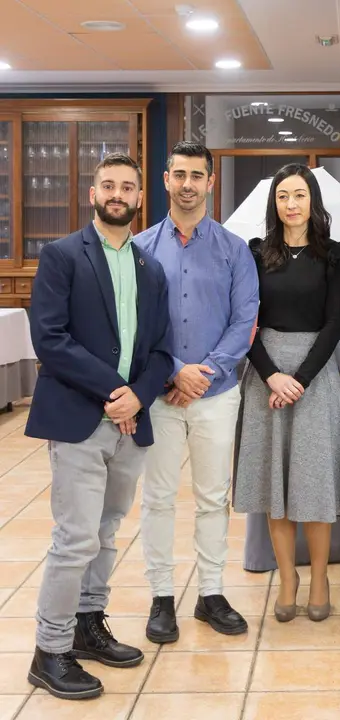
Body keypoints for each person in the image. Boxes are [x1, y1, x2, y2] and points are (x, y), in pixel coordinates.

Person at [24, 153, 172, 700]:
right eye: (108, 185)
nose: (118, 194)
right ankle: (51, 650)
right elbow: (51, 339)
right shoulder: (62, 256)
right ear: (93, 193)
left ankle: (88, 625)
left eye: (127, 187)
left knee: (107, 533)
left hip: (130, 425)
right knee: (76, 538)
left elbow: (160, 350)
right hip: (80, 419)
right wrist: (115, 391)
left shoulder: (149, 269)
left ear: (139, 197)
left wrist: (138, 395)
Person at [135, 141, 260, 643]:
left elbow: (244, 320)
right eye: (179, 174)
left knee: (213, 498)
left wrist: (203, 372)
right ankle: (161, 596)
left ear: (211, 182)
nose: (188, 184)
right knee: (158, 498)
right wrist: (171, 372)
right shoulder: (139, 249)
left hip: (216, 393)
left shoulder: (234, 250)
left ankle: (211, 593)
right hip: (159, 397)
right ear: (165, 180)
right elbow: (135, 326)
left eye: (197, 176)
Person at [233, 164, 340, 622]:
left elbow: (334, 324)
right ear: (274, 204)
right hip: (265, 372)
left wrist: (300, 379)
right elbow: (246, 322)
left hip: (316, 374)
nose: (291, 204)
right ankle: (288, 578)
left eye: (299, 195)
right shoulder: (254, 254)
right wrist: (270, 375)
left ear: (313, 202)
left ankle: (320, 577)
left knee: (313, 484)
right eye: (283, 196)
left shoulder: (335, 256)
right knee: (274, 485)